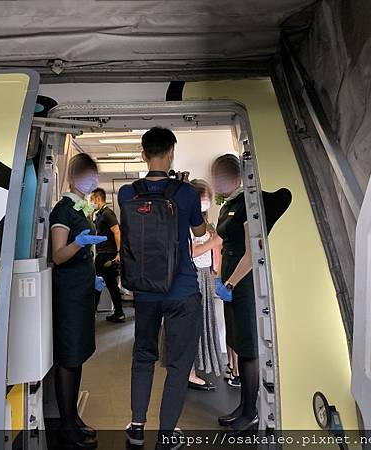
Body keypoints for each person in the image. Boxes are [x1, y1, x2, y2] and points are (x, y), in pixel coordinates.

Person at [119, 127, 206, 450]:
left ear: (144, 154)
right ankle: (167, 434)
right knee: (179, 365)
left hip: (145, 291)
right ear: (171, 153)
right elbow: (200, 232)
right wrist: (184, 190)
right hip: (182, 290)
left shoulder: (127, 193)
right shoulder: (186, 193)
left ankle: (137, 426)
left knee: (143, 357)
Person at [211, 154, 291, 433]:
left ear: (234, 176)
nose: (216, 181)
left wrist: (230, 284)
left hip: (243, 285)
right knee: (237, 341)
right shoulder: (229, 205)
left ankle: (251, 412)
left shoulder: (249, 203)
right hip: (231, 284)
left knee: (248, 348)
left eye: (219, 176)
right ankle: (243, 407)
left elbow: (252, 253)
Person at [49, 153, 107, 448]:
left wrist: (92, 276)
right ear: (72, 177)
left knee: (79, 354)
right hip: (69, 294)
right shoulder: (63, 210)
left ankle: (74, 417)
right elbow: (59, 256)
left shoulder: (83, 209)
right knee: (68, 357)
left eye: (94, 174)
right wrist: (78, 243)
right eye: (86, 174)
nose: (91, 179)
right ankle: (67, 426)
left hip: (82, 291)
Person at [187, 179, 223, 390]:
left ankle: (192, 370)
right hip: (195, 277)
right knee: (194, 326)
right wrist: (213, 242)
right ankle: (189, 372)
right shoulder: (187, 221)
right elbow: (190, 252)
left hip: (204, 275)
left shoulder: (203, 221)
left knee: (201, 324)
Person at [89, 187, 125, 322]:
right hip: (102, 253)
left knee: (103, 283)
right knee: (107, 284)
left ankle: (94, 312)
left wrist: (119, 252)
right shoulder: (99, 214)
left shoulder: (108, 214)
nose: (91, 202)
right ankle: (118, 312)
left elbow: (117, 232)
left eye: (92, 199)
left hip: (108, 254)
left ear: (98, 199)